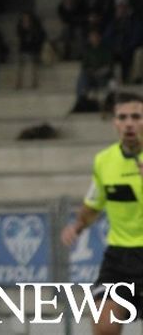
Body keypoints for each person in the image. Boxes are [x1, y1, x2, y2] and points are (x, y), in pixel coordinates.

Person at [61, 92, 143, 335]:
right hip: (119, 257)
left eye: (136, 116)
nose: (129, 123)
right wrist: (77, 225)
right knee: (104, 325)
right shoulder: (103, 161)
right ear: (115, 123)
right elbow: (95, 204)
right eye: (123, 117)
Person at [15, 11, 47, 89]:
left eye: (27, 19)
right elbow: (22, 43)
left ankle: (34, 82)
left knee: (34, 62)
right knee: (20, 62)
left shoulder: (36, 28)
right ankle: (18, 83)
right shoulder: (20, 28)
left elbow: (40, 38)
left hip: (35, 50)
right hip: (25, 50)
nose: (25, 20)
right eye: (24, 19)